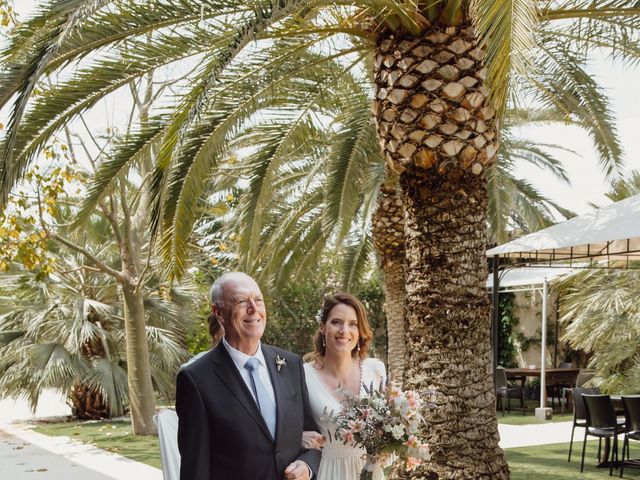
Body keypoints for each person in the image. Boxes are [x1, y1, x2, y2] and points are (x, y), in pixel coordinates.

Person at [176, 272, 321, 480]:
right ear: (218, 312)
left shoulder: (291, 365)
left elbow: (312, 438)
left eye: (258, 300)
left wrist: (307, 465)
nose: (254, 309)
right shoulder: (196, 379)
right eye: (242, 301)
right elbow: (195, 468)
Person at [302, 293, 386, 480]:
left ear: (360, 330)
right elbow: (287, 427)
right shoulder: (303, 375)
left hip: (371, 472)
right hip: (327, 472)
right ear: (323, 327)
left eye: (352, 324)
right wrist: (297, 438)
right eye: (336, 322)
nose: (344, 330)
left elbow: (387, 427)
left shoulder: (376, 370)